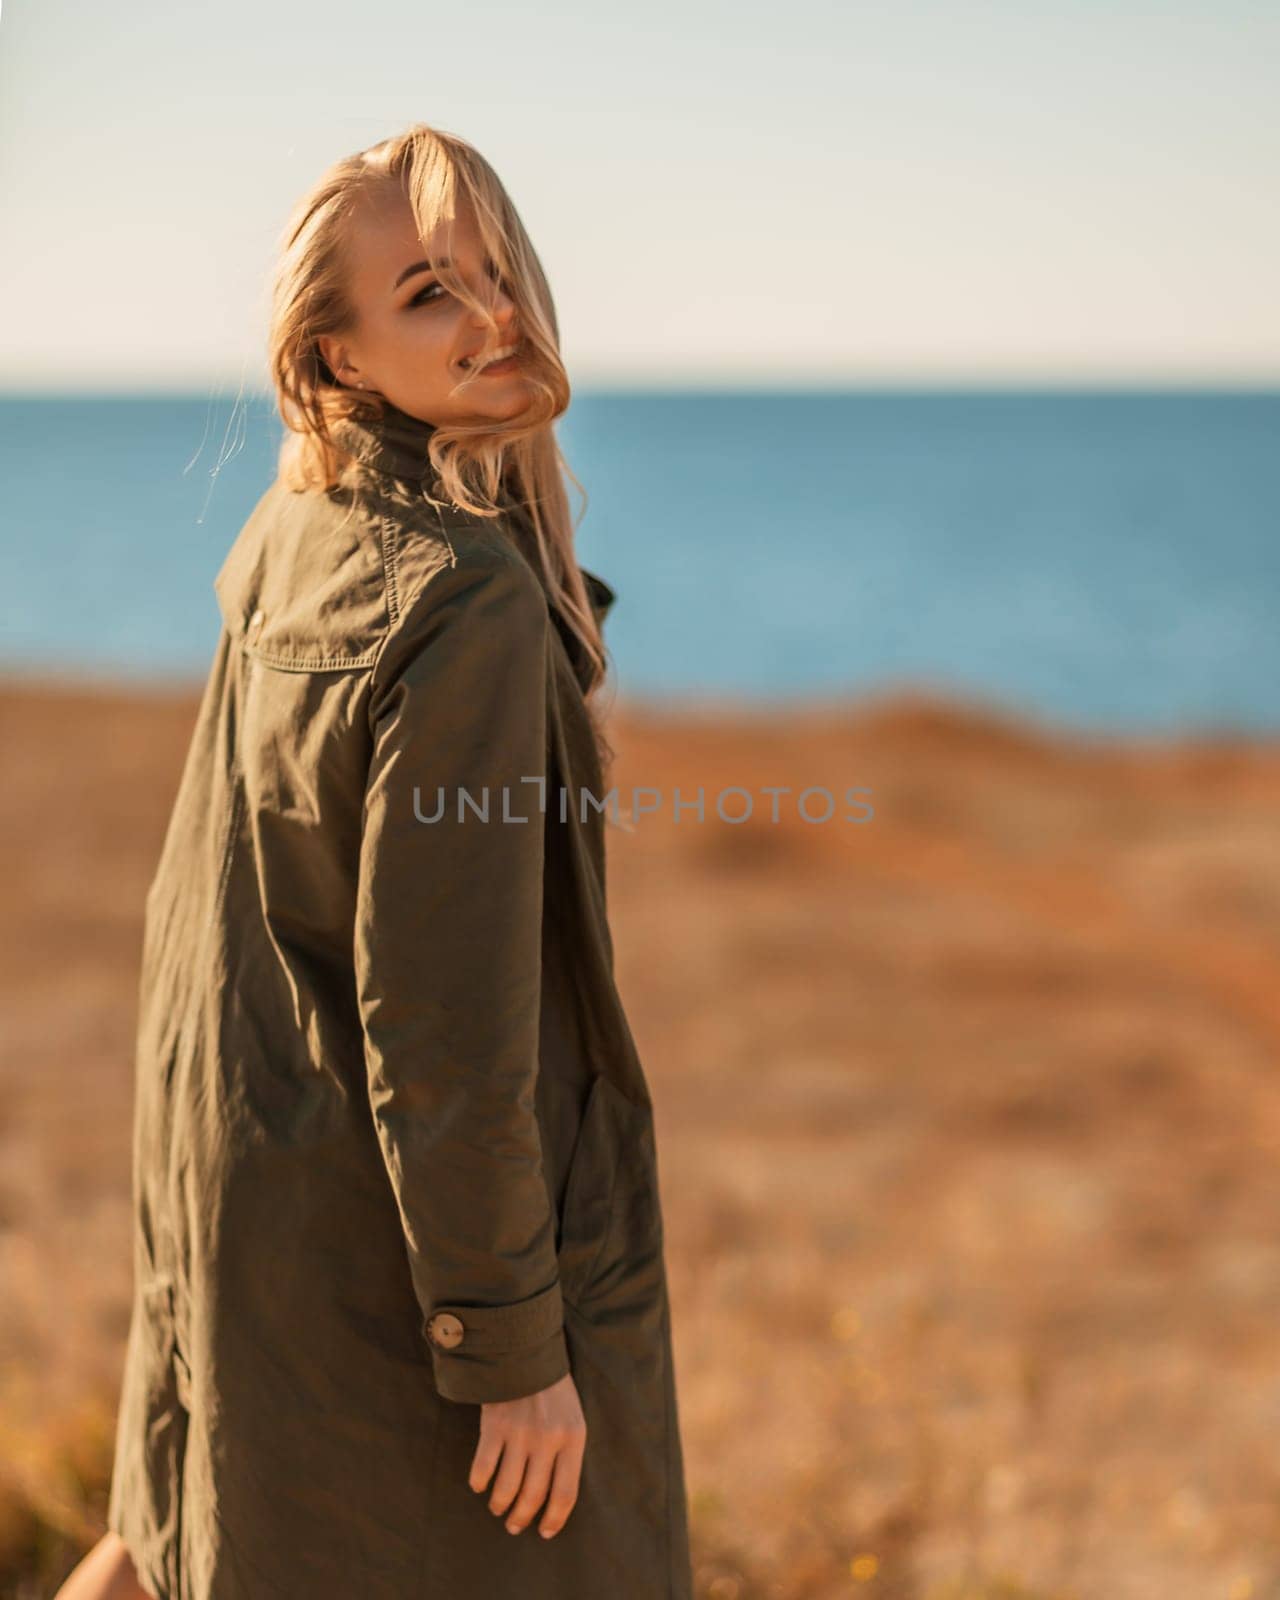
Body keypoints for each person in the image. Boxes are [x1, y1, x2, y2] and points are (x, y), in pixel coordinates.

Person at [57, 121, 692, 1600]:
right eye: (425, 294)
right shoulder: (460, 596)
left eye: (494, 271)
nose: (492, 318)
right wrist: (509, 1345)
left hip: (240, 1194)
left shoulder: (302, 519)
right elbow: (447, 1021)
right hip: (387, 1268)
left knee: (171, 1546)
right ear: (339, 361)